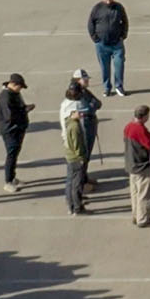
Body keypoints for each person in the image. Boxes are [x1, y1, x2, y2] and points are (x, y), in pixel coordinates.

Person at [87, 0, 130, 97]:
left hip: (117, 44)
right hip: (102, 44)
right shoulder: (97, 8)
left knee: (119, 65)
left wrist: (123, 35)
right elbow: (90, 24)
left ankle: (119, 87)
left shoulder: (118, 7)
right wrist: (95, 38)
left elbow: (125, 21)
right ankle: (107, 88)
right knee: (105, 67)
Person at [0, 73, 31, 194]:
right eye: (20, 87)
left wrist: (24, 108)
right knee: (11, 155)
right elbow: (9, 116)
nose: (20, 90)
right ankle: (8, 181)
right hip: (10, 130)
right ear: (14, 84)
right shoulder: (6, 97)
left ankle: (12, 177)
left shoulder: (13, 93)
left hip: (17, 128)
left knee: (14, 154)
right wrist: (24, 110)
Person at [59, 83, 90, 215]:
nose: (81, 114)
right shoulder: (75, 126)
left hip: (69, 153)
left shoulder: (66, 115)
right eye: (79, 112)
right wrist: (82, 157)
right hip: (75, 156)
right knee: (76, 182)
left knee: (71, 180)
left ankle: (70, 203)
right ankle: (77, 206)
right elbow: (77, 143)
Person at [124, 104, 150, 228]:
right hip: (142, 165)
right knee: (144, 194)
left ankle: (136, 215)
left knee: (135, 193)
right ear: (144, 116)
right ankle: (143, 219)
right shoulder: (140, 130)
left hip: (131, 164)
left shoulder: (128, 126)